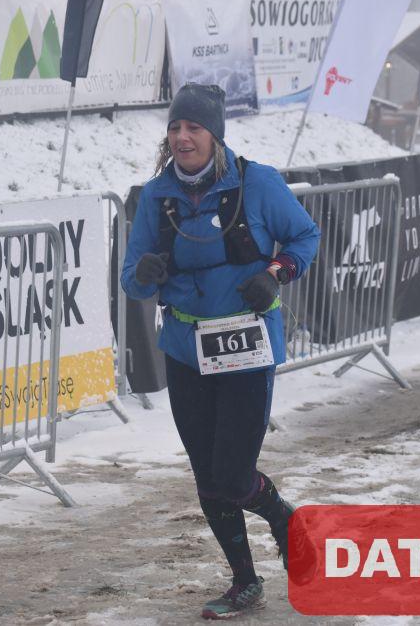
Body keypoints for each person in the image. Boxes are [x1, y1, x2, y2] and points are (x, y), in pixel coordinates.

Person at [120, 83, 320, 619]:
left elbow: (305, 237)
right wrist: (144, 272)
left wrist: (276, 274)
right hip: (186, 349)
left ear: (215, 135)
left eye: (194, 128)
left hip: (246, 346)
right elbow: (131, 277)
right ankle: (245, 582)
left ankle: (284, 519)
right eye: (175, 127)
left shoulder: (257, 183)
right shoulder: (156, 197)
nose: (182, 137)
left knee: (233, 474)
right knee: (207, 477)